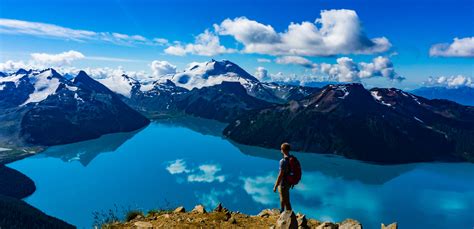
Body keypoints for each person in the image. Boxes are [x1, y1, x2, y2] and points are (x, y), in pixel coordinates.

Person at [273, 142, 292, 213]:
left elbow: (280, 175)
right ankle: (284, 212)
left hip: (283, 183)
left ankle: (288, 215)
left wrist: (275, 186)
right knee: (285, 198)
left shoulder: (283, 161)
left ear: (283, 150)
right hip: (289, 182)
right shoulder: (291, 159)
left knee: (285, 200)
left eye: (281, 149)